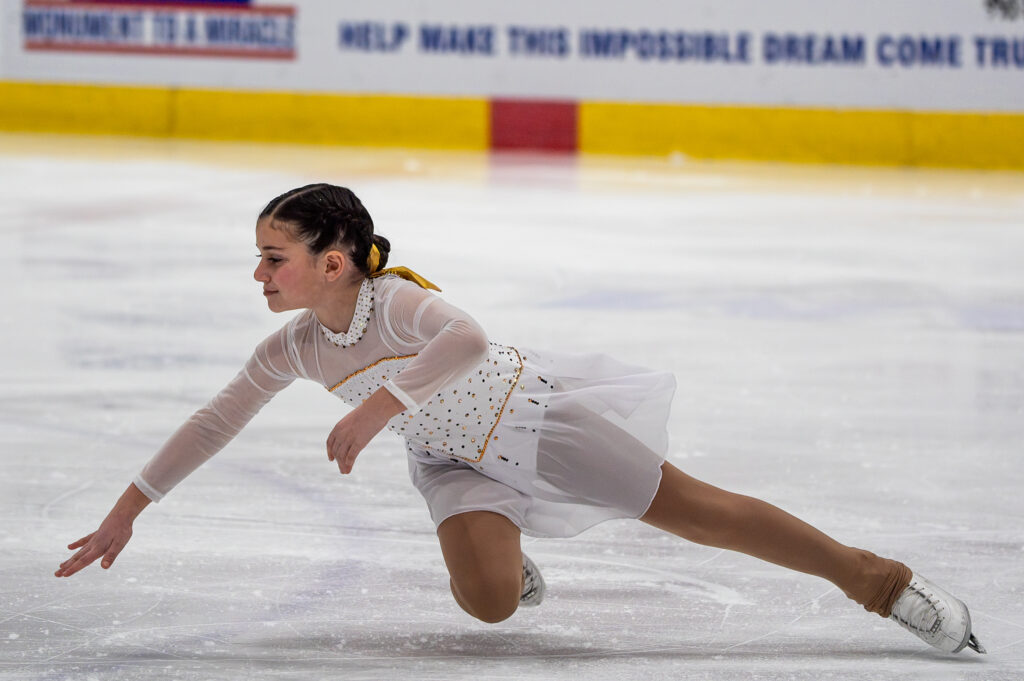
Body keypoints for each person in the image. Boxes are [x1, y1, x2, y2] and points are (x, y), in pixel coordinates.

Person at [55, 183, 985, 655]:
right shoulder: (294, 347)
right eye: (258, 259)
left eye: (273, 258)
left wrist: (380, 402)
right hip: (451, 460)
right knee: (491, 603)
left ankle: (880, 581)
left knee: (705, 515)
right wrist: (130, 507)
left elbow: (467, 338)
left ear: (336, 261)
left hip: (533, 420)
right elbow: (215, 422)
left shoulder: (397, 303)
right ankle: (506, 549)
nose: (259, 275)